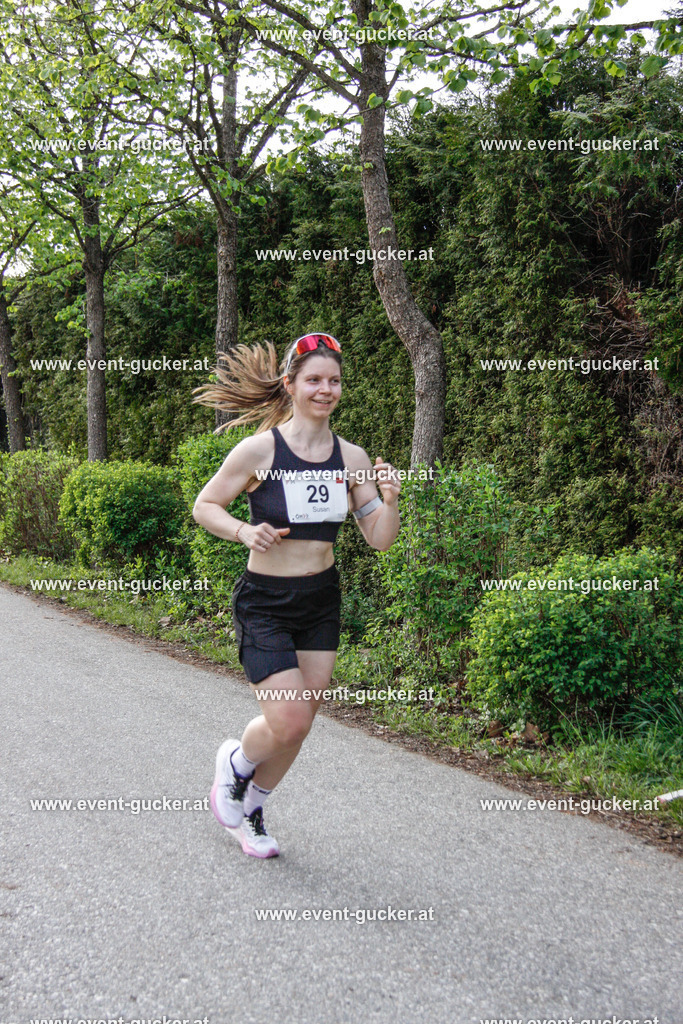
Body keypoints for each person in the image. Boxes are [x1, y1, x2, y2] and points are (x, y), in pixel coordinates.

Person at [192, 333, 401, 858]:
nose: (325, 390)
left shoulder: (350, 457)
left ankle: (253, 808)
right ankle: (236, 765)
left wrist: (390, 500)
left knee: (300, 725)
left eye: (333, 381)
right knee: (288, 719)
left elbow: (379, 538)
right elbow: (205, 506)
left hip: (320, 601)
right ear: (290, 385)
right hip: (264, 600)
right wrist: (244, 531)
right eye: (314, 380)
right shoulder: (261, 449)